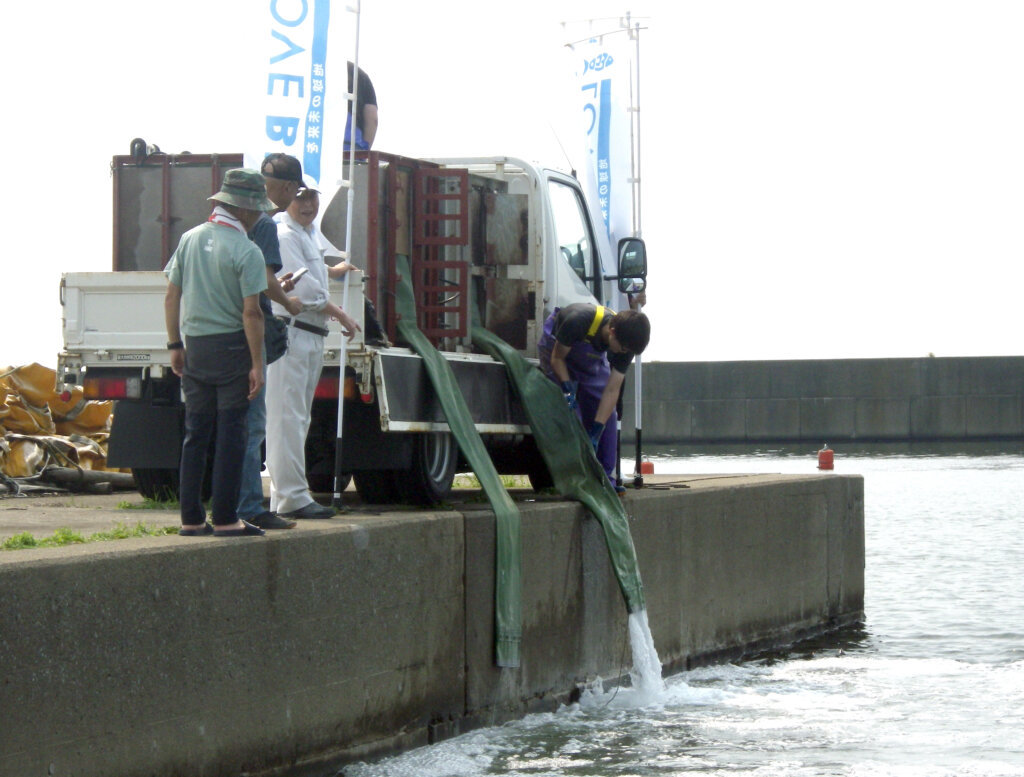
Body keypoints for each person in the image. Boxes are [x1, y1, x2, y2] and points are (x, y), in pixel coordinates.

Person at [164, 168, 273, 537]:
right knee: (231, 434)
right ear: (243, 209)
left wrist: (174, 344)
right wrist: (257, 364)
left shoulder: (190, 238)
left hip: (194, 347)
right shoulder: (247, 249)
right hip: (231, 349)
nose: (260, 215)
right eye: (257, 208)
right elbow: (252, 312)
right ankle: (226, 517)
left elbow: (171, 294)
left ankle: (191, 518)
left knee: (195, 433)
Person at [265, 184, 360, 518]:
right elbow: (306, 290)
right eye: (300, 197)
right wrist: (340, 312)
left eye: (312, 197)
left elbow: (313, 272)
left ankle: (288, 495)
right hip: (292, 332)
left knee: (297, 417)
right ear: (286, 197)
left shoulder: (306, 233)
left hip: (310, 334)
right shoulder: (285, 234)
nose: (307, 204)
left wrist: (332, 271)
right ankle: (292, 497)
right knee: (286, 418)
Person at [235, 153, 305, 531]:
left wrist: (278, 287)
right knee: (253, 424)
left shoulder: (217, 228)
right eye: (294, 188)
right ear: (285, 187)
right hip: (249, 329)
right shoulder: (265, 224)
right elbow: (261, 281)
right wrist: (286, 300)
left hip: (215, 331)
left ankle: (227, 507)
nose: (294, 195)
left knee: (220, 427)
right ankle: (250, 505)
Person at [537, 303, 651, 491]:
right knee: (573, 415)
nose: (623, 354)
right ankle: (572, 480)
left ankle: (604, 479)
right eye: (622, 349)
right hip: (556, 351)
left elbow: (612, 390)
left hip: (589, 360)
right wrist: (567, 388)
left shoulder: (626, 343)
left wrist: (597, 429)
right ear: (612, 332)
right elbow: (557, 359)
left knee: (609, 417)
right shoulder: (578, 320)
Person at [345, 61, 378, 150]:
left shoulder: (308, 70)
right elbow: (372, 118)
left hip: (312, 145)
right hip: (350, 148)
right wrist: (364, 152)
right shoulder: (357, 73)